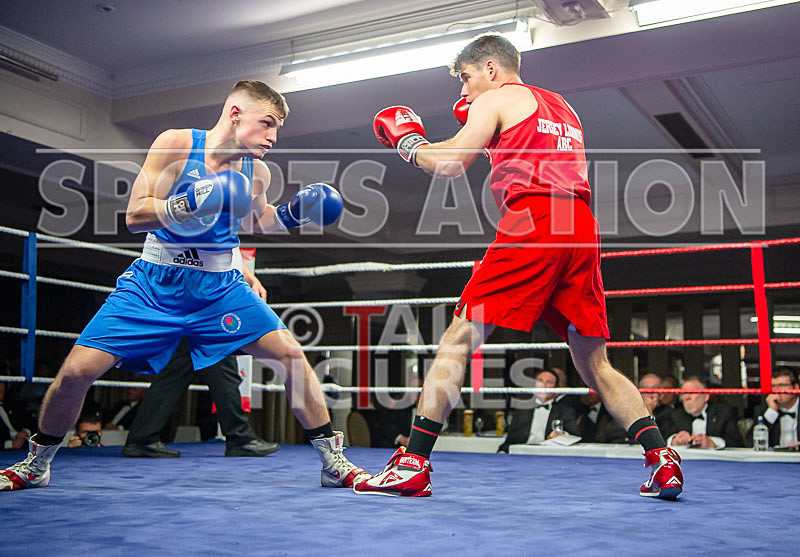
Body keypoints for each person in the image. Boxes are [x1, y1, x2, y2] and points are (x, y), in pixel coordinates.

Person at [355, 34, 682, 499]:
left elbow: (448, 165)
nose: (464, 92)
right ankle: (662, 460)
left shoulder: (499, 97)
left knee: (459, 336)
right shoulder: (561, 107)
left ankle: (412, 463)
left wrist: (408, 140)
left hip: (537, 221)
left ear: (490, 68)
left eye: (466, 78)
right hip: (580, 227)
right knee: (594, 363)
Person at [1, 80, 369, 491]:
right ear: (235, 114)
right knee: (74, 373)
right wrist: (191, 200)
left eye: (278, 127)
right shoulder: (175, 144)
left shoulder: (257, 171)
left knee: (290, 356)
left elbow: (254, 221)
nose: (273, 136)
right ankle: (36, 465)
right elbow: (136, 214)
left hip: (219, 288)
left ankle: (333, 462)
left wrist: (294, 214)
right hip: (154, 284)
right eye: (267, 123)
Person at [122, 252, 278, 458]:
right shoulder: (205, 223)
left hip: (195, 299)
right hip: (201, 298)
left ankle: (142, 437)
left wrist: (251, 279)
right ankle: (240, 438)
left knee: (177, 372)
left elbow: (229, 254)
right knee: (220, 365)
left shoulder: (219, 227)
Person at [497, 369, 578, 452]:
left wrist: (562, 435)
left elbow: (575, 437)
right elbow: (510, 440)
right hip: (523, 455)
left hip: (550, 455)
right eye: (540, 381)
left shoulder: (565, 411)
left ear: (556, 390)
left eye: (549, 382)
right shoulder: (522, 410)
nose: (544, 385)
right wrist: (502, 452)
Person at [662, 376, 743, 449]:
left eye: (692, 393)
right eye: (684, 393)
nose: (687, 397)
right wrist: (673, 440)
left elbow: (737, 443)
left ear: (706, 396)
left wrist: (713, 443)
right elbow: (660, 440)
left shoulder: (724, 413)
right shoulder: (675, 415)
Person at [748, 368, 799, 449]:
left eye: (782, 385)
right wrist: (772, 412)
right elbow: (750, 443)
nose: (776, 390)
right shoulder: (764, 409)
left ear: (796, 387)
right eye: (773, 386)